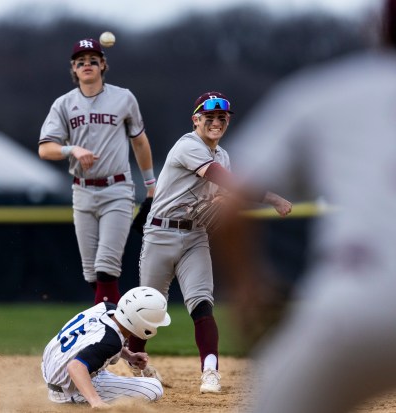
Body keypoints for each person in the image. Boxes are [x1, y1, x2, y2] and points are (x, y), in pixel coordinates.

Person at [221, 0, 396, 412]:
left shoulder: (323, 91)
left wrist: (249, 286)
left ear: (380, 31)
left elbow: (230, 204)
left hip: (353, 302)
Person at [125, 91, 292, 393]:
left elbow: (224, 190)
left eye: (221, 118)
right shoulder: (188, 145)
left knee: (202, 304)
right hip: (160, 234)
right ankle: (135, 364)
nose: (216, 122)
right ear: (196, 120)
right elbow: (223, 179)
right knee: (147, 308)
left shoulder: (223, 154)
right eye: (209, 117)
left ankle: (210, 372)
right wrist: (271, 197)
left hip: (195, 236)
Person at [38, 37, 156, 305]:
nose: (87, 64)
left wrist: (150, 184)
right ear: (74, 69)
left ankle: (108, 339)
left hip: (117, 189)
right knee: (91, 273)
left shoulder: (123, 98)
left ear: (103, 65)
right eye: (81, 62)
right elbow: (45, 149)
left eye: (93, 60)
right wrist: (72, 150)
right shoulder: (64, 104)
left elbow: (139, 141)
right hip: (82, 191)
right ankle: (117, 329)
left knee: (106, 267)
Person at [41, 286, 171, 408]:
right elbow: (75, 367)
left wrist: (129, 356)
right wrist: (96, 402)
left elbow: (97, 341)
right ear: (143, 323)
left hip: (53, 365)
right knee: (154, 388)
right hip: (68, 388)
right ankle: (82, 395)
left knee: (92, 359)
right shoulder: (110, 342)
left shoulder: (106, 308)